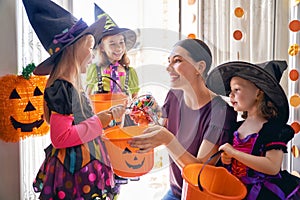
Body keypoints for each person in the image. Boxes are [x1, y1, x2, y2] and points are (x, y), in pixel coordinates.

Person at [22, 0, 125, 199]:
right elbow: (60, 138)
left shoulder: (73, 85)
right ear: (72, 49)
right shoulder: (62, 87)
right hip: (75, 171)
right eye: (89, 47)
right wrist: (99, 121)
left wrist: (104, 118)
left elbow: (80, 123)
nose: (92, 54)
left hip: (87, 164)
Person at [128, 38, 237, 200]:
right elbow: (159, 130)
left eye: (177, 61)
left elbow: (200, 172)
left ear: (199, 67)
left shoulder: (221, 112)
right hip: (176, 190)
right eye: (168, 61)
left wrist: (166, 138)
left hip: (203, 196)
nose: (168, 68)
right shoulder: (173, 96)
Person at [206, 60, 300, 199]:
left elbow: (272, 167)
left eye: (236, 90)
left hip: (263, 193)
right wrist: (228, 159)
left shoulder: (273, 129)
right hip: (236, 190)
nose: (230, 95)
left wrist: (234, 153)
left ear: (258, 93)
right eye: (230, 91)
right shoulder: (236, 127)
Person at [86, 3, 139, 99]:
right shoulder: (95, 69)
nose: (118, 48)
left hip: (124, 113)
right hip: (100, 113)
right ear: (102, 47)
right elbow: (87, 98)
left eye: (121, 42)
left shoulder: (130, 72)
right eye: (112, 44)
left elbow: (136, 101)